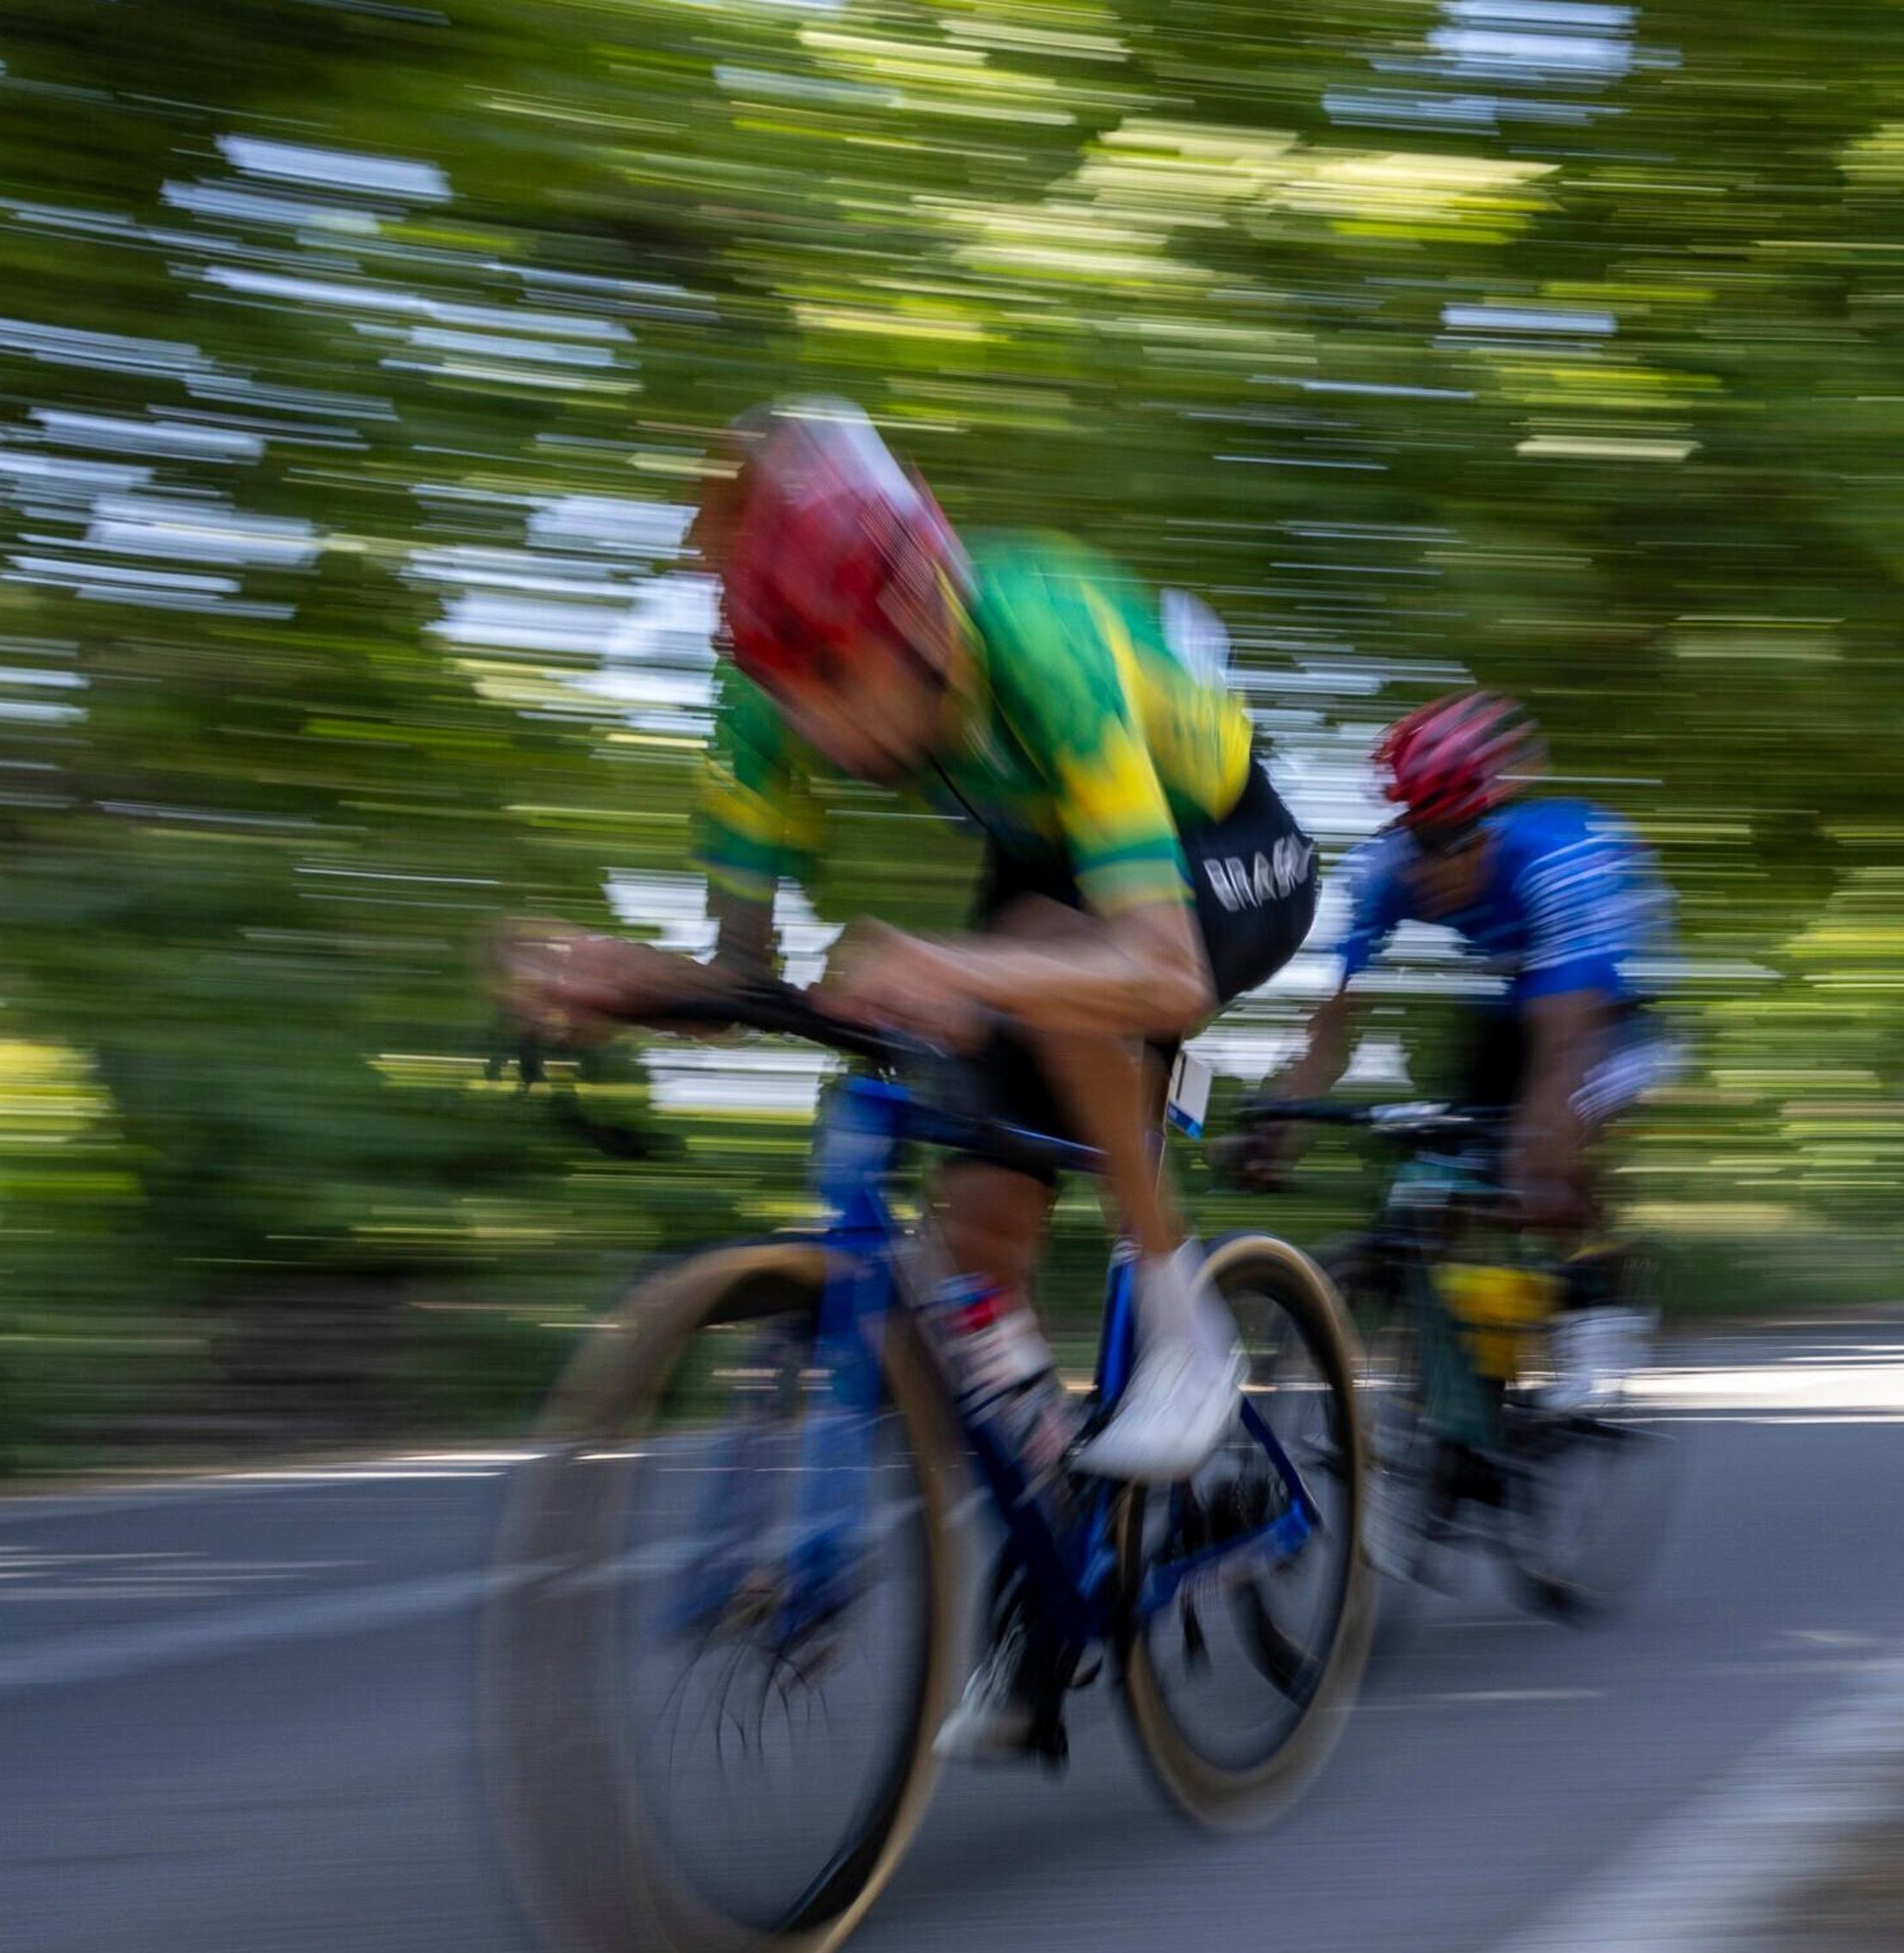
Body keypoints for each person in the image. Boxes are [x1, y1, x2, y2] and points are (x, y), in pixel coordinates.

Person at [496, 399, 1318, 1753]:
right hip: (1055, 848)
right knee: (972, 1246)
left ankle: (1187, 1329)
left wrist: (962, 970)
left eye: (839, 674)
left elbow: (1161, 974)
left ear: (927, 613)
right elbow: (745, 975)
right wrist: (631, 979)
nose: (817, 725)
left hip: (1216, 836)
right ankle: (1049, 1551)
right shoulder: (768, 697)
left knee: (1040, 958)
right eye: (787, 685)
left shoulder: (1042, 635)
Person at [1248, 693, 1676, 1403]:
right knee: (1441, 1187)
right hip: (1512, 998)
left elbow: (1568, 1039)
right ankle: (1466, 1379)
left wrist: (1543, 1142)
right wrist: (1283, 1117)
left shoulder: (1555, 863)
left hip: (1609, 1004)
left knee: (1546, 1161)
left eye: (1450, 843)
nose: (1430, 867)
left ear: (1490, 830)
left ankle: (1600, 1301)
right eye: (1415, 839)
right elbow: (1333, 1020)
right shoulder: (1388, 874)